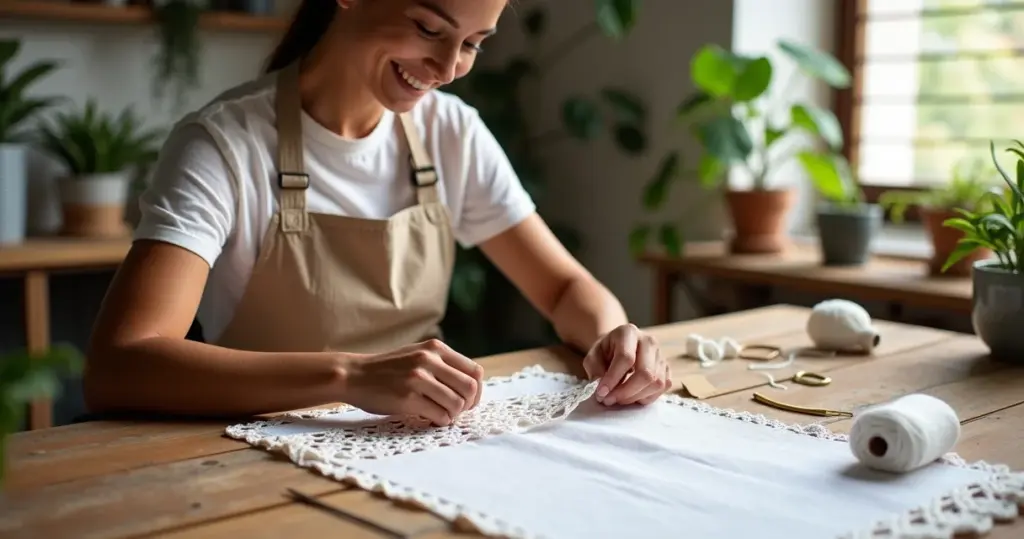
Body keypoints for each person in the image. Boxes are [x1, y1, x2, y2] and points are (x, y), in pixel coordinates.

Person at [84, 0, 671, 426]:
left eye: (471, 44)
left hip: (418, 444)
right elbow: (121, 364)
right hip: (254, 452)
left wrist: (614, 341)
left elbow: (566, 287)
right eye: (428, 28)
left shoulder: (451, 133)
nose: (446, 69)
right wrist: (349, 376)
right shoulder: (223, 145)